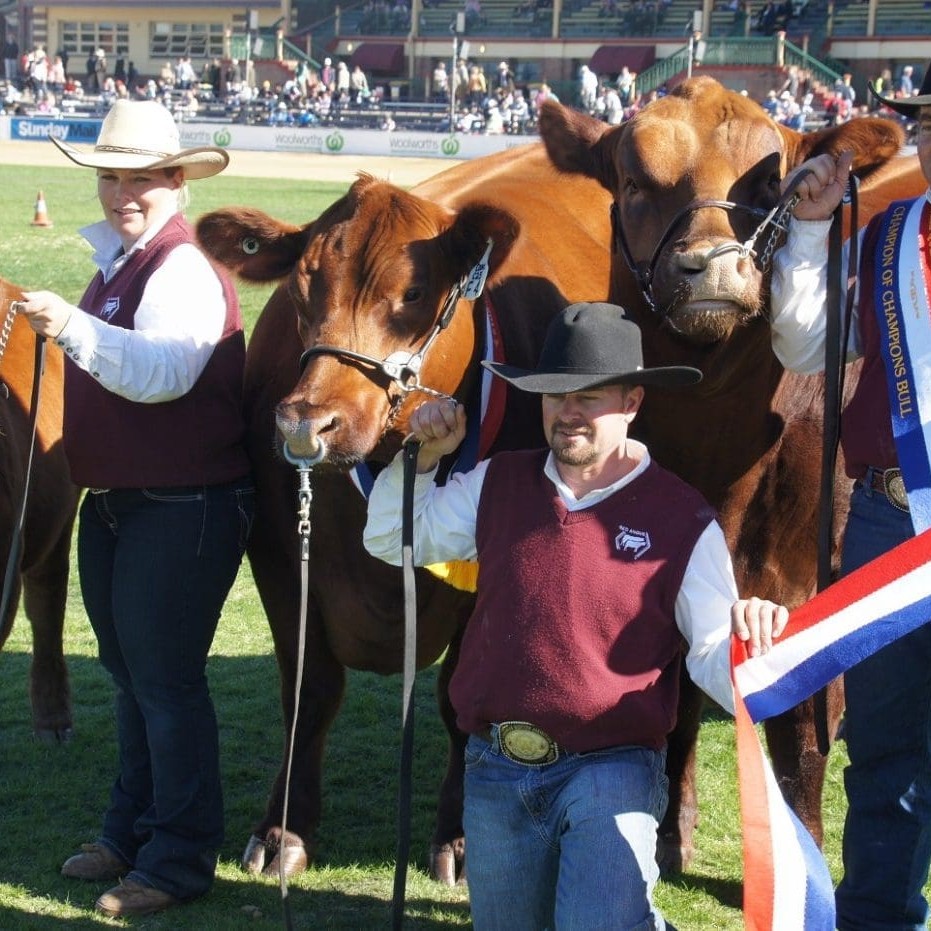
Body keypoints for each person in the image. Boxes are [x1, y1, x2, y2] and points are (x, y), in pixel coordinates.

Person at [363, 302, 789, 930]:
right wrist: (424, 459)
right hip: (495, 765)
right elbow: (395, 537)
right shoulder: (497, 482)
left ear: (634, 403)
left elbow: (711, 653)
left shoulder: (681, 519)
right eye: (554, 394)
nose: (569, 412)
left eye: (591, 396)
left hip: (611, 768)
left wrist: (751, 642)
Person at [16, 99, 254, 918]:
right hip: (124, 503)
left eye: (143, 176)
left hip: (182, 504)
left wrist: (71, 325)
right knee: (131, 678)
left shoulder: (180, 266)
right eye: (112, 175)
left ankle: (178, 858)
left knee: (165, 683)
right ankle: (132, 831)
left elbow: (164, 375)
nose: (125, 191)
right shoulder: (123, 258)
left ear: (177, 181)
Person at [769, 64, 931, 930]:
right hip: (885, 517)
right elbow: (807, 347)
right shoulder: (889, 234)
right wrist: (804, 232)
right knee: (884, 749)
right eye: (929, 125)